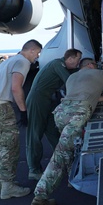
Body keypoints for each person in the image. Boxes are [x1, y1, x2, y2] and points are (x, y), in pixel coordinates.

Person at [29, 59, 103, 205]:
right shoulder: (97, 73)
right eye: (95, 64)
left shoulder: (72, 77)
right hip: (77, 114)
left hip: (61, 112)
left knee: (70, 146)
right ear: (89, 65)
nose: (96, 67)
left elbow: (85, 95)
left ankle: (70, 178)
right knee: (61, 154)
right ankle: (39, 198)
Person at [0, 39, 42, 199]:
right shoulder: (22, 62)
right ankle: (8, 187)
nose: (37, 57)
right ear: (32, 50)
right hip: (1, 108)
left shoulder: (9, 61)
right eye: (37, 53)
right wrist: (23, 111)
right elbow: (16, 87)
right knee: (10, 148)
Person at [25, 49, 82, 180]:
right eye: (78, 60)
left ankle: (64, 163)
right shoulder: (58, 64)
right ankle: (33, 169)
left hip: (47, 101)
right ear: (71, 58)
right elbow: (70, 81)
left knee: (53, 132)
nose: (78, 63)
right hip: (37, 100)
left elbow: (73, 73)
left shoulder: (61, 66)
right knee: (35, 134)